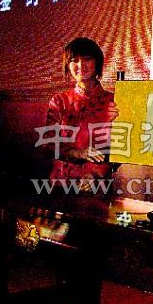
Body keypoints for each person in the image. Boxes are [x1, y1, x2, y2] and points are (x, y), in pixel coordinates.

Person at [45, 37, 119, 192]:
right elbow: (49, 145)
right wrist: (79, 153)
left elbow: (122, 150)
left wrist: (94, 174)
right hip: (61, 183)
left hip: (97, 184)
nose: (80, 65)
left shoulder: (114, 101)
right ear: (68, 65)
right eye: (74, 60)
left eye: (87, 59)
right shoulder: (59, 101)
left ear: (97, 63)